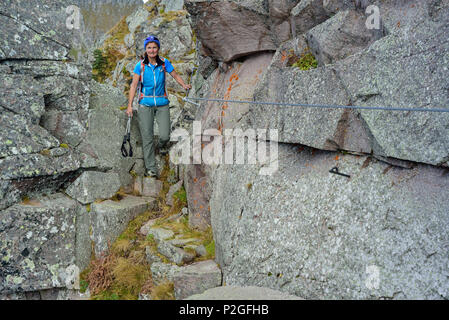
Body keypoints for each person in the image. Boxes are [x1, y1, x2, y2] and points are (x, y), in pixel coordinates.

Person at [127, 36, 191, 178]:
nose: (152, 50)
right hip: (145, 104)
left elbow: (174, 75)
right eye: (149, 47)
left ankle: (162, 146)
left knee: (165, 134)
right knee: (147, 137)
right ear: (146, 49)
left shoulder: (164, 63)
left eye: (154, 47)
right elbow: (133, 85)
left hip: (162, 103)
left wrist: (184, 85)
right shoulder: (140, 66)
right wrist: (129, 106)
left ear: (158, 49)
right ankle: (151, 169)